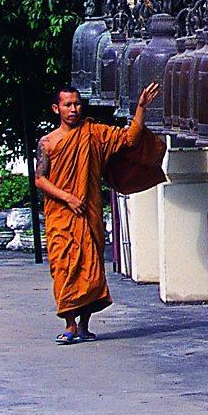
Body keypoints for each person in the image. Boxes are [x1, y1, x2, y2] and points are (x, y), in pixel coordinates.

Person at [34, 82, 160, 345]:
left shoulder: (94, 133)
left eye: (77, 104)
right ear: (56, 108)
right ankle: (69, 325)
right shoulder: (47, 142)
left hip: (87, 212)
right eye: (67, 105)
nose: (74, 109)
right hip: (61, 215)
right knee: (64, 267)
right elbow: (40, 179)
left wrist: (141, 108)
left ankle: (83, 325)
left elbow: (130, 138)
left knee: (89, 268)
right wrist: (68, 197)